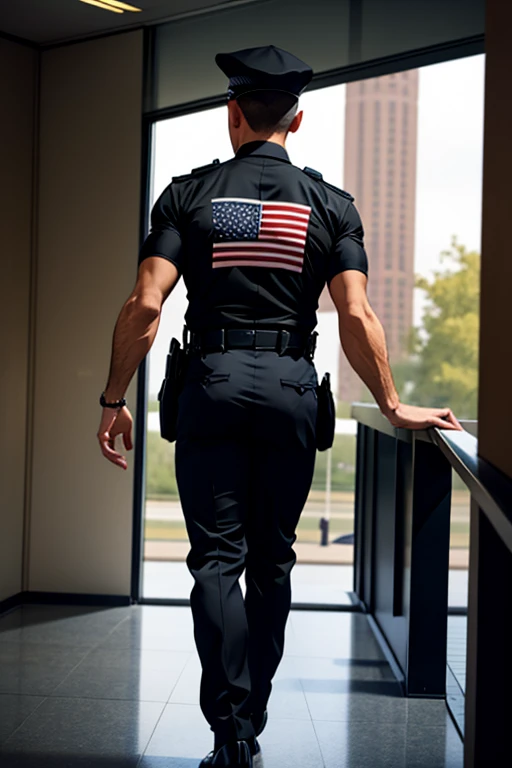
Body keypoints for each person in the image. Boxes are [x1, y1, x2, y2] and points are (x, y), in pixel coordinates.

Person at [97, 45, 463, 768]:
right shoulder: (332, 205)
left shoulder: (188, 195)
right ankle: (253, 720)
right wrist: (391, 402)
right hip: (293, 391)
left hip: (211, 386)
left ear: (232, 113)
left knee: (214, 563)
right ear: (299, 116)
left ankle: (229, 729)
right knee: (272, 561)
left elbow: (146, 302)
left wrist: (114, 398)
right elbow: (355, 314)